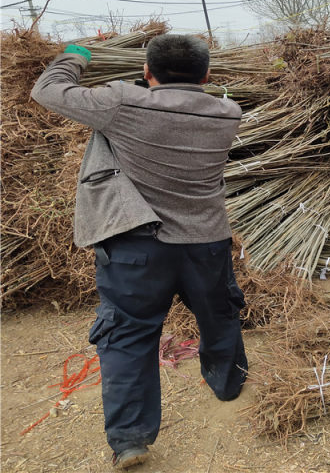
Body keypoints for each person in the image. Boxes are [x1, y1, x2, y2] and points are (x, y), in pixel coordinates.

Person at [31, 35, 248, 469]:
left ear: (148, 73)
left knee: (129, 336)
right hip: (205, 242)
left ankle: (130, 440)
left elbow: (46, 90)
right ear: (206, 76)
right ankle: (228, 387)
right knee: (219, 314)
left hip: (137, 246)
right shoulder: (228, 112)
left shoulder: (121, 103)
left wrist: (76, 56)